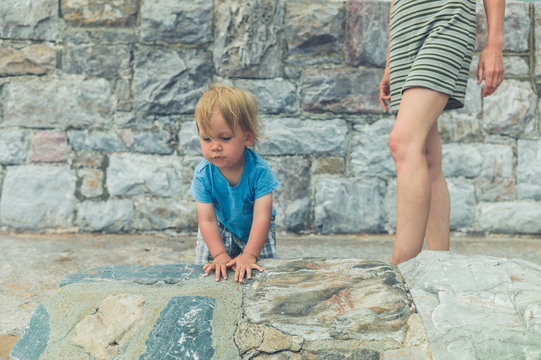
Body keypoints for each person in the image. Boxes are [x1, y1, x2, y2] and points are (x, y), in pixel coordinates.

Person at [378, 0, 505, 265]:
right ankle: (440, 265)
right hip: (405, 27)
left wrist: (494, 43)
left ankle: (400, 268)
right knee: (427, 155)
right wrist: (390, 61)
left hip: (447, 18)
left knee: (402, 142)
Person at [190, 84, 279, 282]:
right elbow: (206, 220)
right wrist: (220, 254)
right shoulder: (203, 174)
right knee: (207, 273)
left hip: (256, 227)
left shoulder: (259, 171)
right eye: (206, 138)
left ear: (246, 137)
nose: (215, 147)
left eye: (225, 138)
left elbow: (262, 218)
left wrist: (249, 255)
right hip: (219, 226)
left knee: (265, 274)